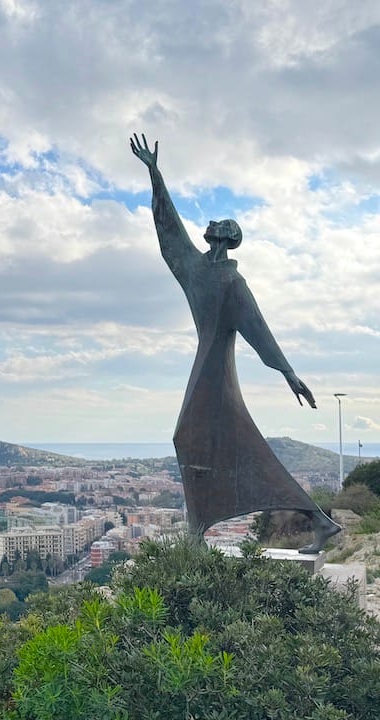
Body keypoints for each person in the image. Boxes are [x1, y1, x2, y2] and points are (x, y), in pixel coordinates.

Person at [130, 133, 340, 553]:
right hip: (206, 368)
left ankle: (204, 532)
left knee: (191, 437)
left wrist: (289, 373)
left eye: (217, 225)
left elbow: (258, 330)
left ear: (226, 237)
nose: (208, 226)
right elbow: (168, 232)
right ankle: (211, 529)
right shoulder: (194, 268)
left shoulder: (231, 282)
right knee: (194, 440)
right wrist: (156, 176)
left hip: (215, 374)